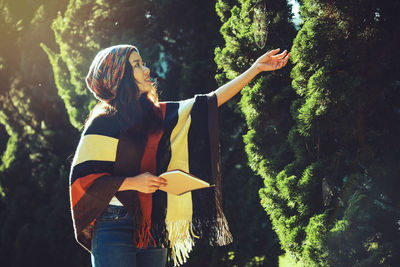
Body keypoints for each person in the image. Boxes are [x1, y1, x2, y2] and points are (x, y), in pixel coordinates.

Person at [69, 44, 289, 267]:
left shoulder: (156, 117)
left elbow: (208, 102)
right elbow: (84, 181)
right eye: (136, 65)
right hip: (114, 224)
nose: (146, 69)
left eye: (142, 63)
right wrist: (133, 183)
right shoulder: (103, 123)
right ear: (119, 76)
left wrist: (255, 69)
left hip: (153, 224)